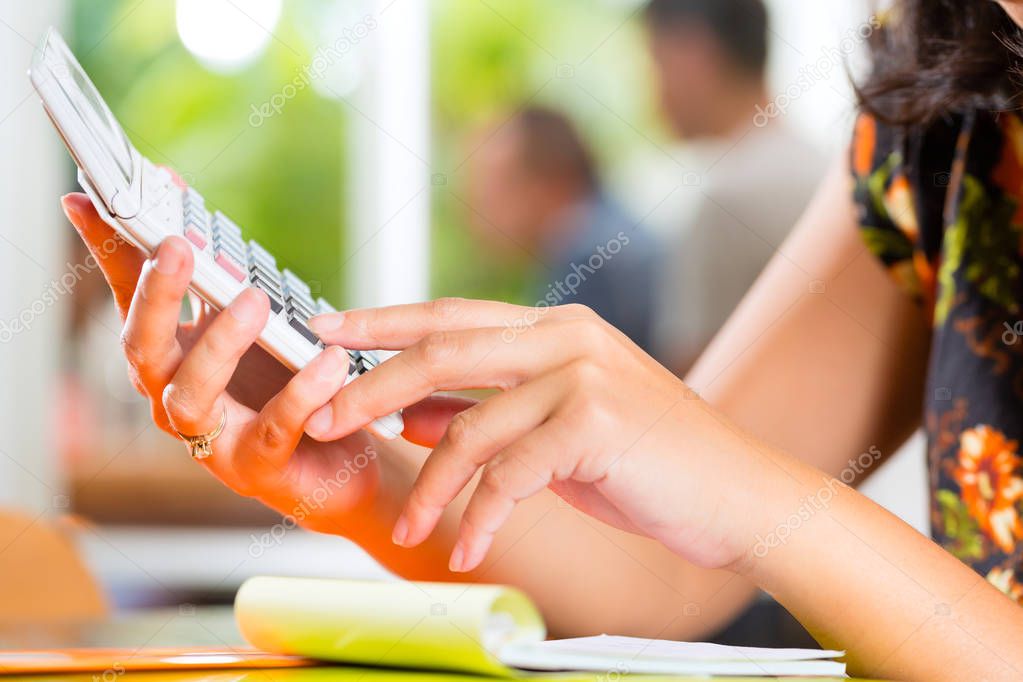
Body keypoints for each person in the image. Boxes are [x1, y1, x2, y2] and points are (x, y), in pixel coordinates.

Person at [58, 1, 1023, 679]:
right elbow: (663, 567)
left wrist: (745, 480)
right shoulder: (934, 119)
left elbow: (737, 502)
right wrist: (360, 475)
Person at [643, 0, 824, 374]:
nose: (653, 95)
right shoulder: (828, 170)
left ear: (693, 55)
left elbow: (685, 387)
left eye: (656, 65)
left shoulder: (727, 202)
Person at [465, 107, 658, 354]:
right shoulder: (605, 232)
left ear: (550, 178)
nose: (477, 205)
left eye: (495, 185)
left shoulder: (588, 264)